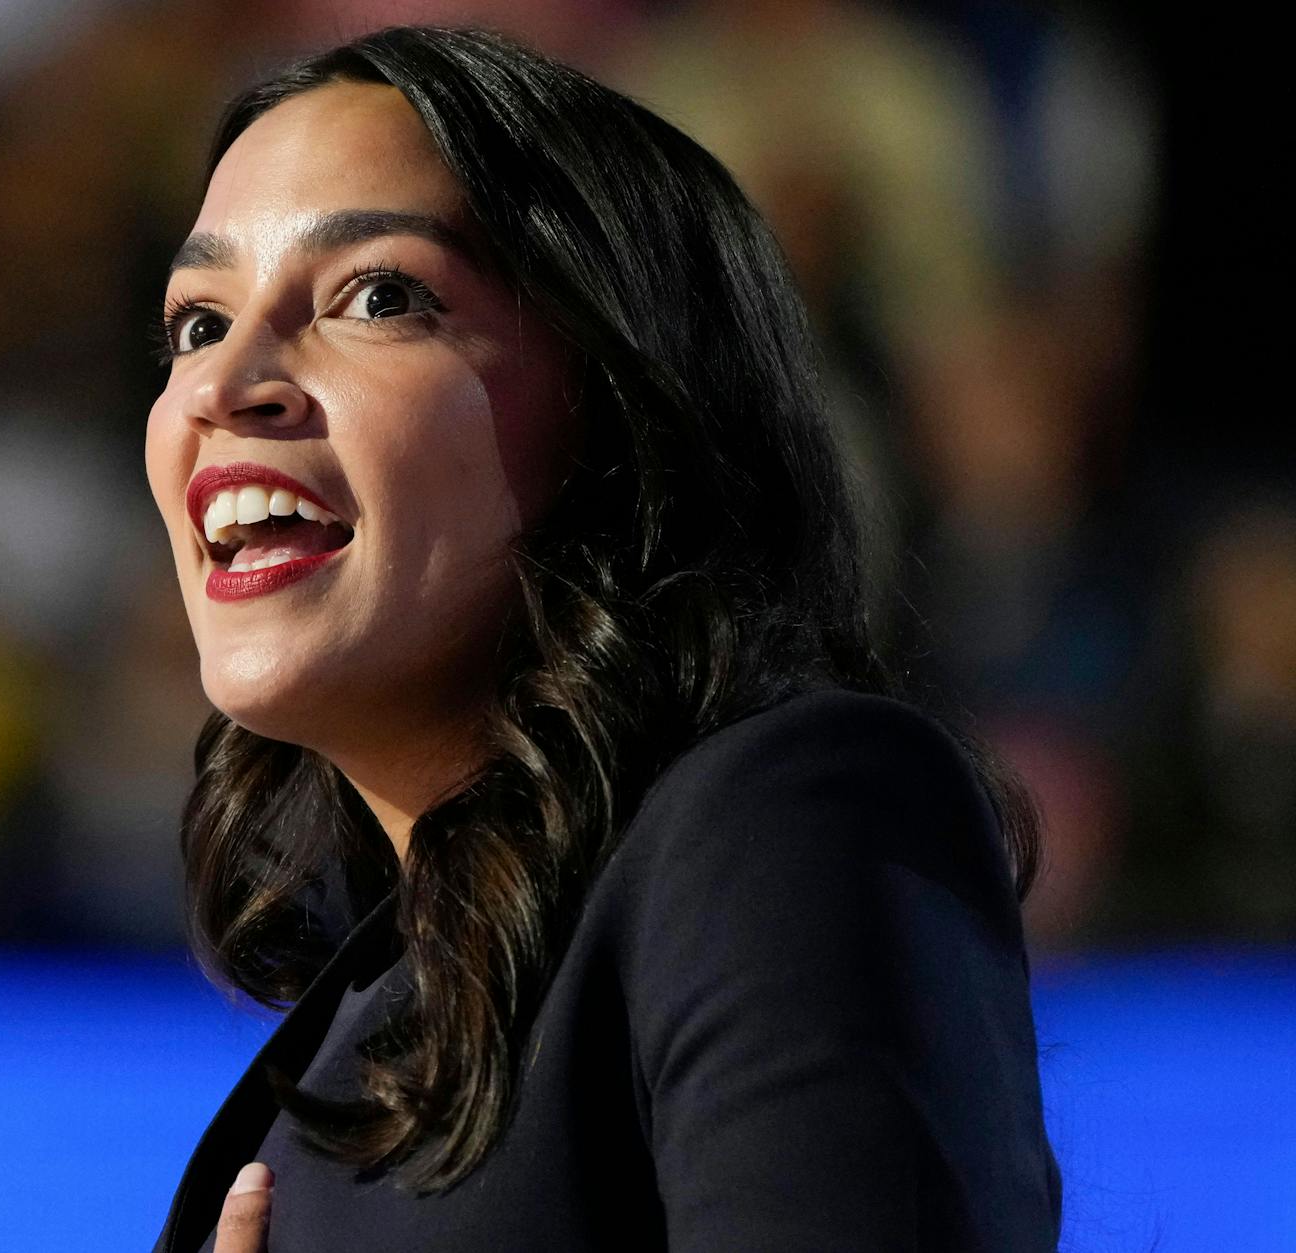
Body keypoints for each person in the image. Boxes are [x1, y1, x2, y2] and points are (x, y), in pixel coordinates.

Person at [141, 25, 1061, 1252]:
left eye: (379, 295)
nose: (221, 385)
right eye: (197, 322)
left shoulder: (782, 813)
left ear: (620, 410)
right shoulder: (383, 996)